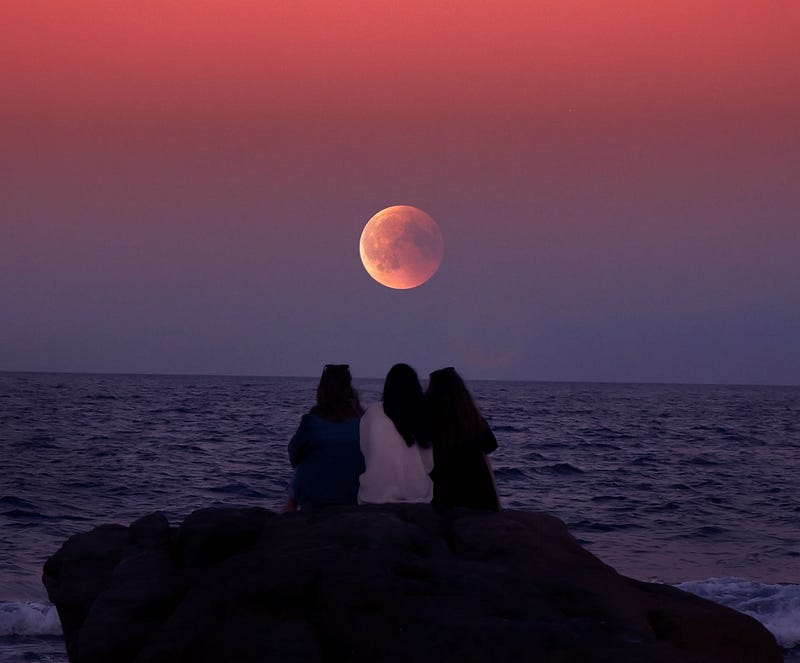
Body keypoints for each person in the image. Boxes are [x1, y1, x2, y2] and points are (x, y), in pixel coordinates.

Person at [285, 364, 365, 510]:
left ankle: (286, 516)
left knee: (304, 460)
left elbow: (293, 455)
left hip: (316, 499)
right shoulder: (361, 421)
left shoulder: (312, 421)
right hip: (352, 496)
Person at [358, 363, 434, 504]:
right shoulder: (421, 414)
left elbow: (365, 450)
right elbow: (429, 464)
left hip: (374, 495)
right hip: (416, 495)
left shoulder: (372, 412)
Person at [426, 367, 500, 511]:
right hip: (478, 491)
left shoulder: (429, 416)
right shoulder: (470, 416)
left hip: (445, 490)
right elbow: (491, 445)